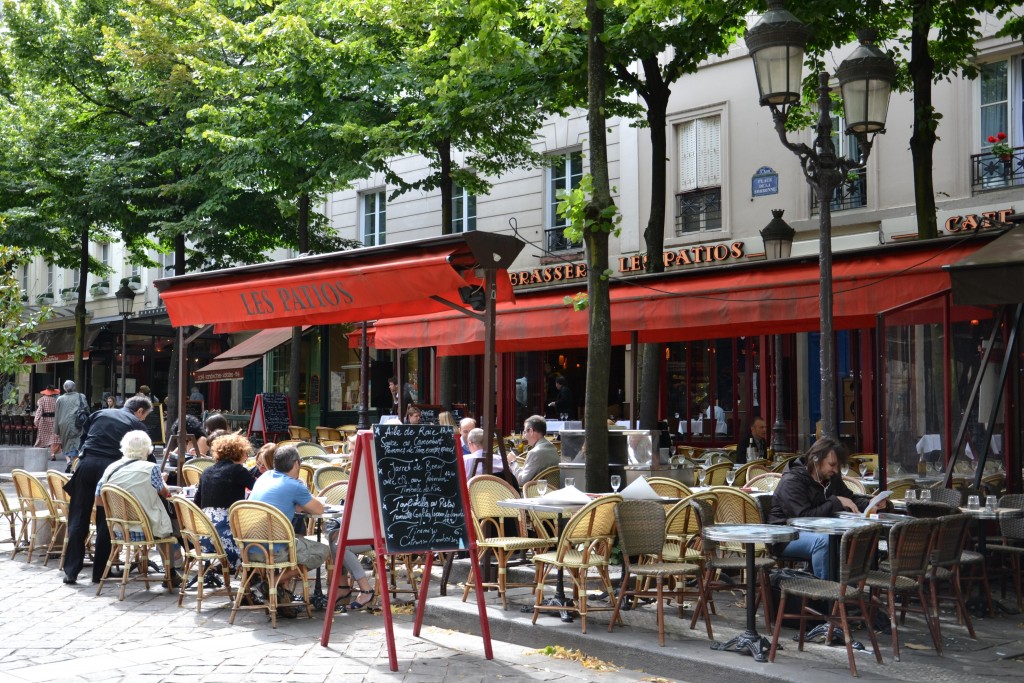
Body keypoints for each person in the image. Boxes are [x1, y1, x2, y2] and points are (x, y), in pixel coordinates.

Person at [63, 395, 154, 585]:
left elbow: (84, 436)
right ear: (139, 411)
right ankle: (100, 572)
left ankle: (71, 571)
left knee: (78, 517)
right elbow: (146, 454)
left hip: (86, 464)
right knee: (106, 520)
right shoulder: (136, 424)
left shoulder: (100, 413)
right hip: (110, 469)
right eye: (144, 415)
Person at [767, 438, 878, 579]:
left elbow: (849, 498)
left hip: (821, 532)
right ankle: (826, 593)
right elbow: (803, 517)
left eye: (838, 466)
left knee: (857, 537)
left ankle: (847, 588)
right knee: (823, 542)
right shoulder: (792, 481)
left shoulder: (830, 477)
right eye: (832, 465)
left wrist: (872, 503)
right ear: (815, 459)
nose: (835, 470)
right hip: (785, 536)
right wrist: (835, 501)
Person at [248, 445, 329, 613]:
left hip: (249, 547)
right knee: (324, 551)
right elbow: (319, 510)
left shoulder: (265, 477)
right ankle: (273, 582)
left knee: (297, 543)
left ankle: (280, 594)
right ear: (297, 464)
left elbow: (282, 502)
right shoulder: (295, 486)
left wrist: (296, 505)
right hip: (274, 550)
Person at [94, 430, 178, 581]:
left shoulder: (111, 468)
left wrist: (122, 511)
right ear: (147, 448)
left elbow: (99, 500)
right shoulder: (151, 468)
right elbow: (165, 494)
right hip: (148, 529)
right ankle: (170, 573)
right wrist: (162, 480)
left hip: (119, 530)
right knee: (171, 525)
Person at [194, 433, 258, 571]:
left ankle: (221, 566)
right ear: (239, 453)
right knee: (259, 533)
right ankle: (254, 578)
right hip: (227, 535)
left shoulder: (206, 471)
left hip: (203, 534)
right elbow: (258, 488)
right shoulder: (237, 470)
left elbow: (197, 502)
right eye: (246, 453)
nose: (247, 457)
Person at [506, 415, 559, 485]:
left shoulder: (534, 453)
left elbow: (521, 481)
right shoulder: (552, 448)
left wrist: (513, 462)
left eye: (525, 432)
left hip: (535, 492)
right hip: (553, 489)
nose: (524, 436)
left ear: (531, 431)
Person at [54, 380, 88, 471]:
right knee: (77, 444)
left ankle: (69, 461)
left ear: (64, 388)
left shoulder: (60, 399)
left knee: (66, 444)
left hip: (64, 424)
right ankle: (75, 466)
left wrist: (56, 430)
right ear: (74, 387)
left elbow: (57, 415)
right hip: (78, 423)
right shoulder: (81, 396)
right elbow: (86, 409)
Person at [34, 385, 60, 454]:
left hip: (44, 420)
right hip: (54, 420)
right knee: (53, 438)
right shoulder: (56, 400)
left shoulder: (41, 400)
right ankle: (52, 454)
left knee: (42, 437)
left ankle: (40, 453)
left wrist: (36, 420)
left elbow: (39, 411)